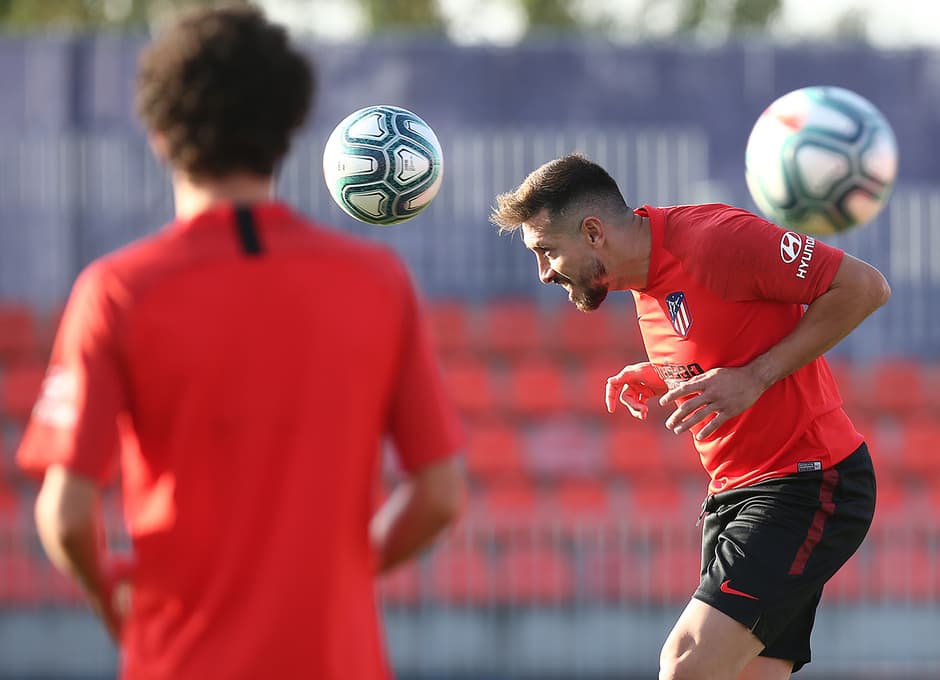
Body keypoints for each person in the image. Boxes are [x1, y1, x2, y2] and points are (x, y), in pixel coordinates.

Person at [17, 6, 465, 679]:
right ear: (286, 133)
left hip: (178, 659)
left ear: (161, 134)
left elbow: (66, 512)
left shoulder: (117, 291)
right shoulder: (377, 283)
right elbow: (439, 495)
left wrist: (115, 601)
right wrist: (336, 576)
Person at [490, 153, 889, 680]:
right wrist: (662, 373)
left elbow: (864, 288)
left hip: (808, 481)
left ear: (592, 232)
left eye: (546, 251)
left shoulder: (718, 240)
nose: (543, 272)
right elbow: (723, 333)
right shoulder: (640, 278)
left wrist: (757, 377)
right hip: (736, 494)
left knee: (685, 663)